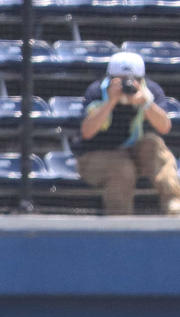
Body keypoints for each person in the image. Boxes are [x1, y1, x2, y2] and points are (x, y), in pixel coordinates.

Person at [76, 51, 179, 216]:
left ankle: (174, 204)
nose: (127, 85)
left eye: (133, 80)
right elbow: (87, 133)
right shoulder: (96, 91)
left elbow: (165, 127)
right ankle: (120, 222)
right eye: (120, 80)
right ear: (110, 78)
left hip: (134, 154)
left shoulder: (150, 91)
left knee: (153, 143)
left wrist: (146, 104)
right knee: (122, 167)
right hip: (95, 156)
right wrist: (110, 102)